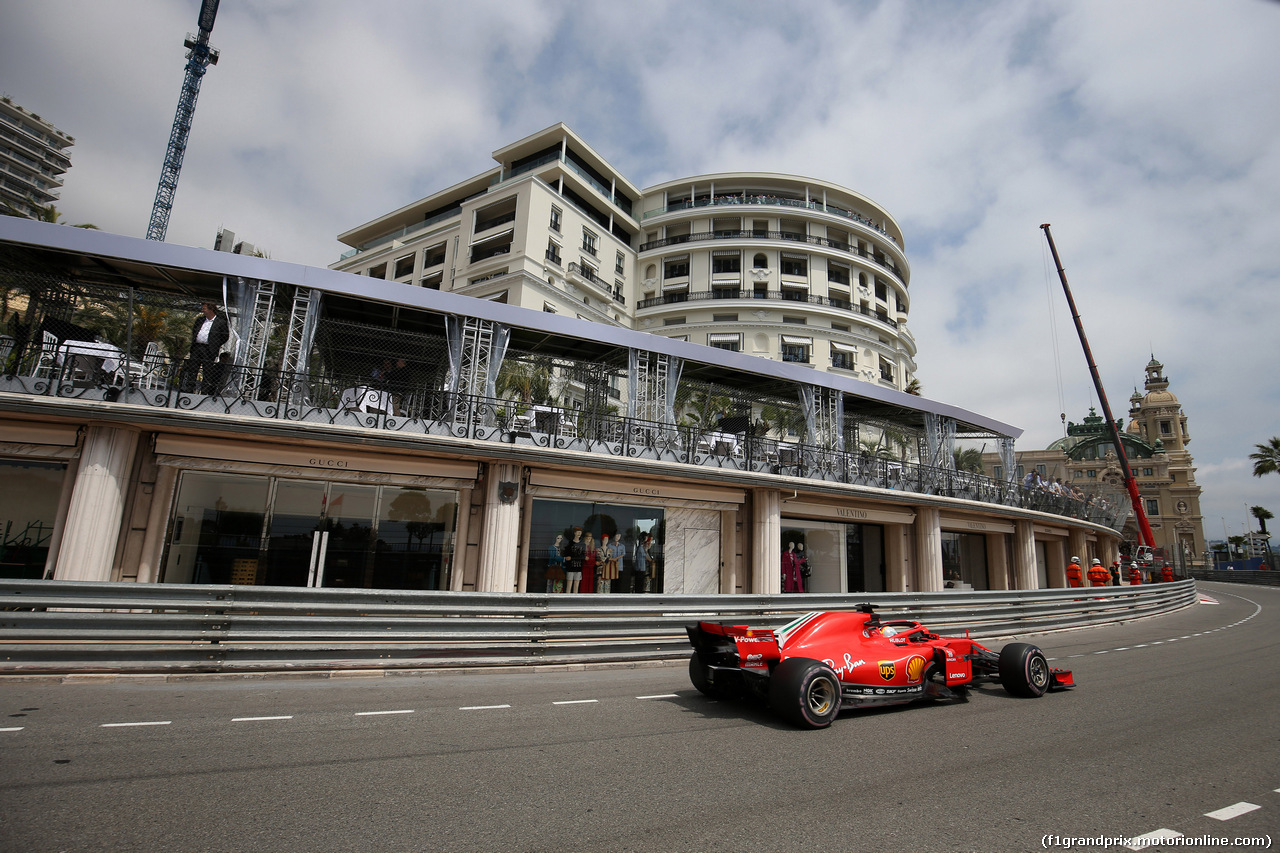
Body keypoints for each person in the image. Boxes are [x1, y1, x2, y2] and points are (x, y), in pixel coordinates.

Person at [183, 301, 229, 393]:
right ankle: (189, 388)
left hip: (209, 349)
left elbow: (225, 336)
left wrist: (216, 344)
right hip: (197, 347)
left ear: (211, 309)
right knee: (193, 368)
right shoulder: (200, 320)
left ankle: (204, 390)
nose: (202, 310)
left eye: (204, 309)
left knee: (207, 370)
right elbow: (195, 331)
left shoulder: (220, 322)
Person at [565, 527, 586, 594]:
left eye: (580, 532)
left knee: (577, 583)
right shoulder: (570, 543)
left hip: (578, 567)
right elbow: (567, 555)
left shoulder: (583, 544)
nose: (579, 533)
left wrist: (572, 558)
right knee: (569, 582)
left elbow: (583, 556)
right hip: (570, 566)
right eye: (578, 532)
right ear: (574, 533)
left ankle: (575, 597)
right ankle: (567, 597)